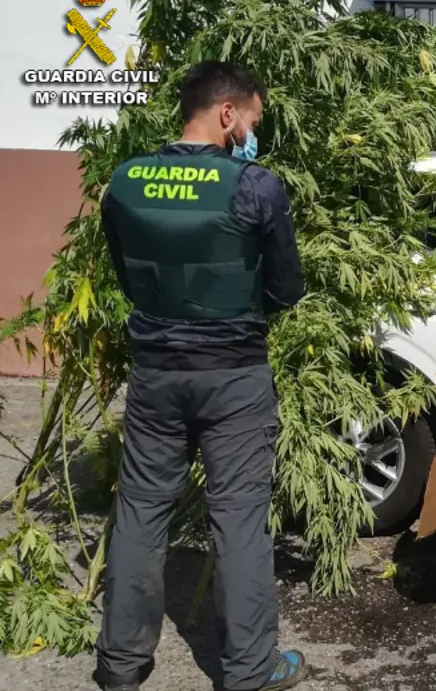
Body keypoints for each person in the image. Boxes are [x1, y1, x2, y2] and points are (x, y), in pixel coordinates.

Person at [93, 60, 308, 691]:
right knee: (239, 518)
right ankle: (249, 671)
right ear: (226, 113)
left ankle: (120, 667)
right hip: (233, 375)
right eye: (252, 118)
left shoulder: (125, 181)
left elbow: (125, 273)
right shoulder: (256, 185)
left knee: (139, 513)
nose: (251, 131)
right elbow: (286, 288)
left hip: (156, 372)